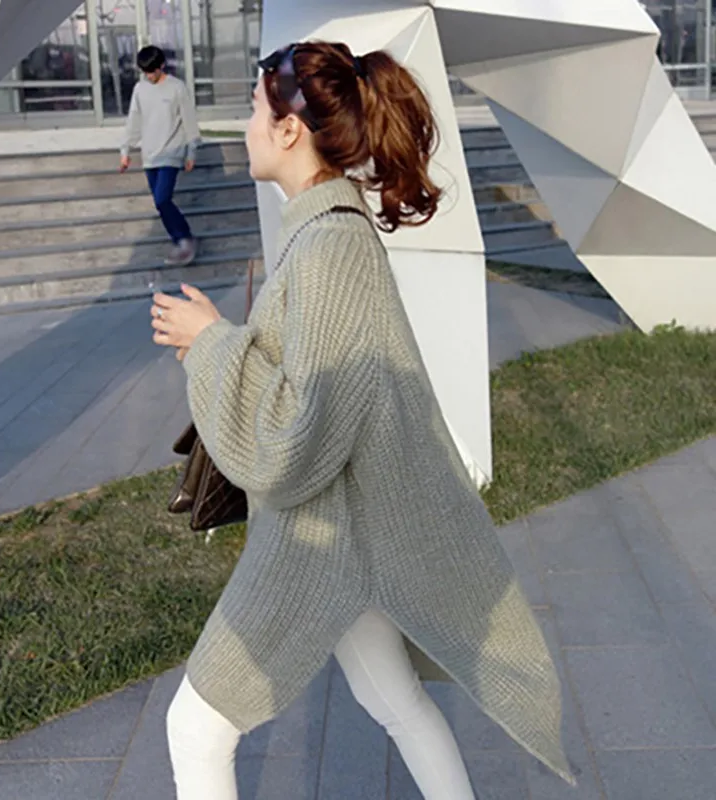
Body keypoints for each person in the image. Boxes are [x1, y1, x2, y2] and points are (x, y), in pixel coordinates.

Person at [149, 41, 574, 799]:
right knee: (396, 704)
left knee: (196, 727)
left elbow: (299, 435)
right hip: (346, 528)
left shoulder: (331, 247)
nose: (244, 126)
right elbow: (317, 383)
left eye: (253, 109)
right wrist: (218, 339)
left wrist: (211, 345)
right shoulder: (324, 235)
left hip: (321, 539)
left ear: (289, 129)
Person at [120, 45, 200, 266]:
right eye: (145, 72)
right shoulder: (140, 89)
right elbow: (134, 121)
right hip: (149, 155)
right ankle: (182, 239)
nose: (149, 76)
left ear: (162, 66)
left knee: (163, 198)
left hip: (171, 152)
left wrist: (191, 151)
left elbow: (189, 121)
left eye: (152, 71)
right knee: (160, 202)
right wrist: (125, 150)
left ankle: (184, 238)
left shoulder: (177, 88)